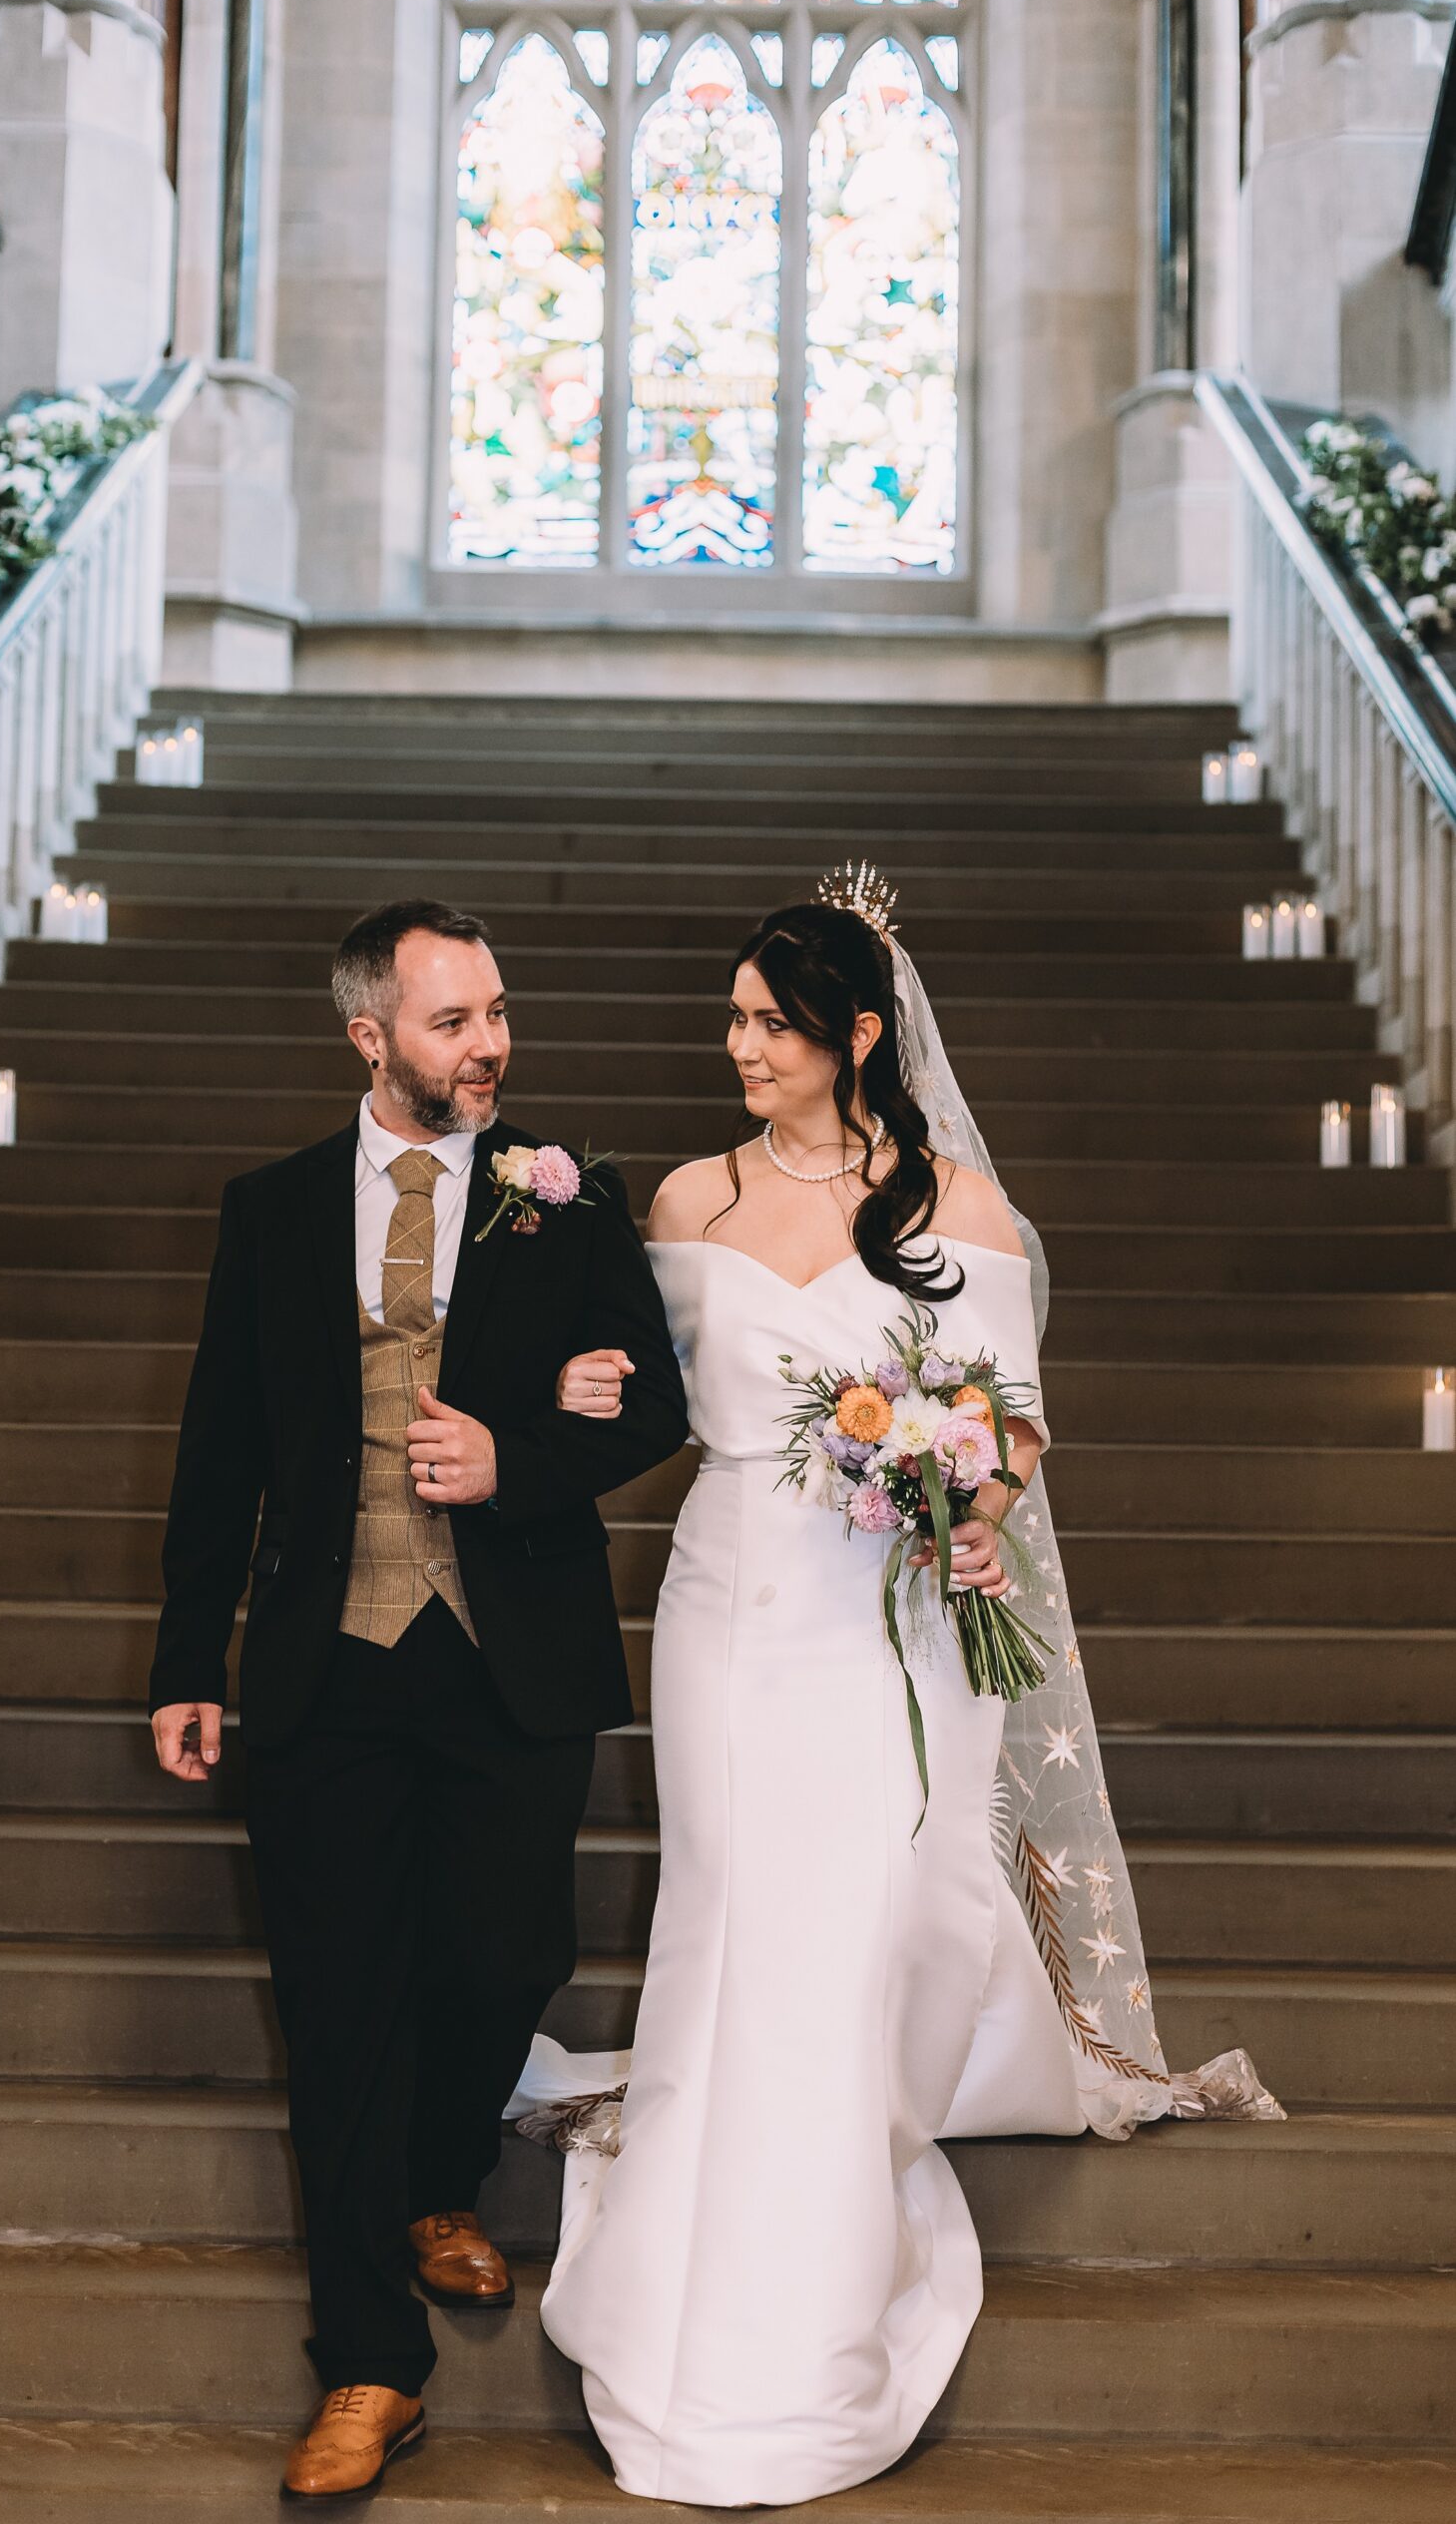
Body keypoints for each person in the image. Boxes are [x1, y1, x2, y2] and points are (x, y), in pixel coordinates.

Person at [525, 877, 1278, 2509]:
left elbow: (1010, 1423)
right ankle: (696, 2222)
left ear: (859, 1036)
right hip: (731, 1604)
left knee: (861, 1918)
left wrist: (980, 1505)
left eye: (768, 1025)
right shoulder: (684, 1200)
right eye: (732, 1018)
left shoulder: (965, 1214)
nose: (736, 1047)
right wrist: (575, 1387)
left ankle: (823, 2237)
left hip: (900, 1618)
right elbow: (632, 1396)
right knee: (730, 1912)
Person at [147, 898, 689, 2504]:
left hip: (505, 1653)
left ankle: (436, 2179)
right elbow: (217, 1449)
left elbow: (655, 1400)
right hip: (327, 1661)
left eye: (498, 1012)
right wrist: (192, 1659)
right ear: (370, 1036)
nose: (492, 1045)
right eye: (455, 1022)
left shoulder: (567, 1198)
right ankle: (368, 2366)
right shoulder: (272, 1209)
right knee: (334, 2001)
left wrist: (520, 1460)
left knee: (507, 1953)